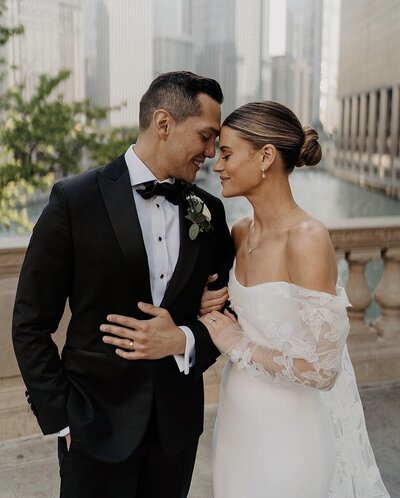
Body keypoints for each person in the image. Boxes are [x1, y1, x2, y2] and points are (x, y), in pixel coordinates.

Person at [12, 71, 234, 498]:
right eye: (206, 136)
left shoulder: (208, 211)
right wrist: (62, 416)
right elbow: (30, 322)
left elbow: (227, 309)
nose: (211, 152)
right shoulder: (73, 200)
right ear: (164, 123)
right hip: (93, 428)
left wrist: (183, 340)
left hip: (176, 433)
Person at [198, 101, 391, 497]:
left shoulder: (307, 239)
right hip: (237, 420)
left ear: (266, 156)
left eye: (228, 154)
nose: (217, 165)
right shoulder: (238, 232)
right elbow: (245, 312)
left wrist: (239, 345)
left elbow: (323, 369)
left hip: (289, 431)